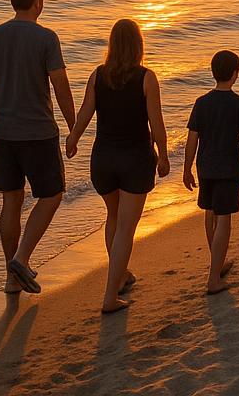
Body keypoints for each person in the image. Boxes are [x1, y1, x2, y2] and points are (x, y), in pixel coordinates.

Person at [0, 0, 75, 295]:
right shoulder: (46, 38)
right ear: (38, 0)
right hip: (38, 133)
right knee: (52, 194)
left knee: (11, 201)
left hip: (2, 134)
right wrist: (75, 127)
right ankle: (21, 259)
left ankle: (11, 277)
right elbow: (60, 86)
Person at [66, 19, 170, 313]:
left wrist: (73, 138)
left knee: (113, 217)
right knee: (126, 227)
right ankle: (110, 297)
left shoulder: (98, 76)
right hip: (134, 159)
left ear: (111, 45)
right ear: (138, 45)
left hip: (103, 160)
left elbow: (86, 111)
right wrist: (163, 154)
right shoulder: (146, 78)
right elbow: (157, 124)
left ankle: (120, 276)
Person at [183, 49, 239, 294]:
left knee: (210, 213)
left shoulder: (202, 103)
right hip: (229, 168)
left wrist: (186, 169)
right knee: (224, 218)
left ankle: (216, 263)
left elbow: (192, 139)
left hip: (205, 167)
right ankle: (213, 278)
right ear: (235, 74)